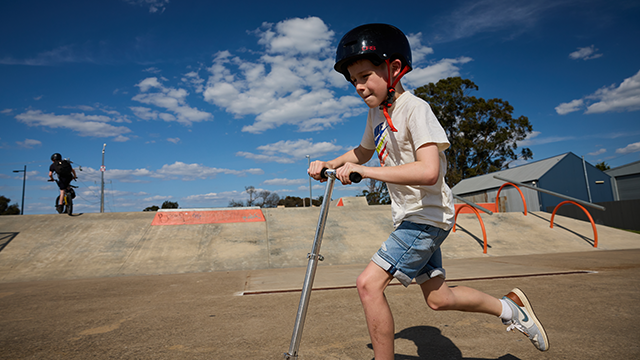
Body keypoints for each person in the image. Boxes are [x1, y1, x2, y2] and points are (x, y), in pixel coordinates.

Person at [308, 24, 548, 359]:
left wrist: (366, 172)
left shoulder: (414, 109)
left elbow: (428, 170)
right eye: (354, 81)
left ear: (392, 68)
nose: (359, 87)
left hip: (427, 216)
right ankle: (511, 308)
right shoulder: (376, 114)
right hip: (411, 216)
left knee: (368, 284)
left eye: (365, 75)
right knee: (438, 299)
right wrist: (330, 164)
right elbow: (362, 153)